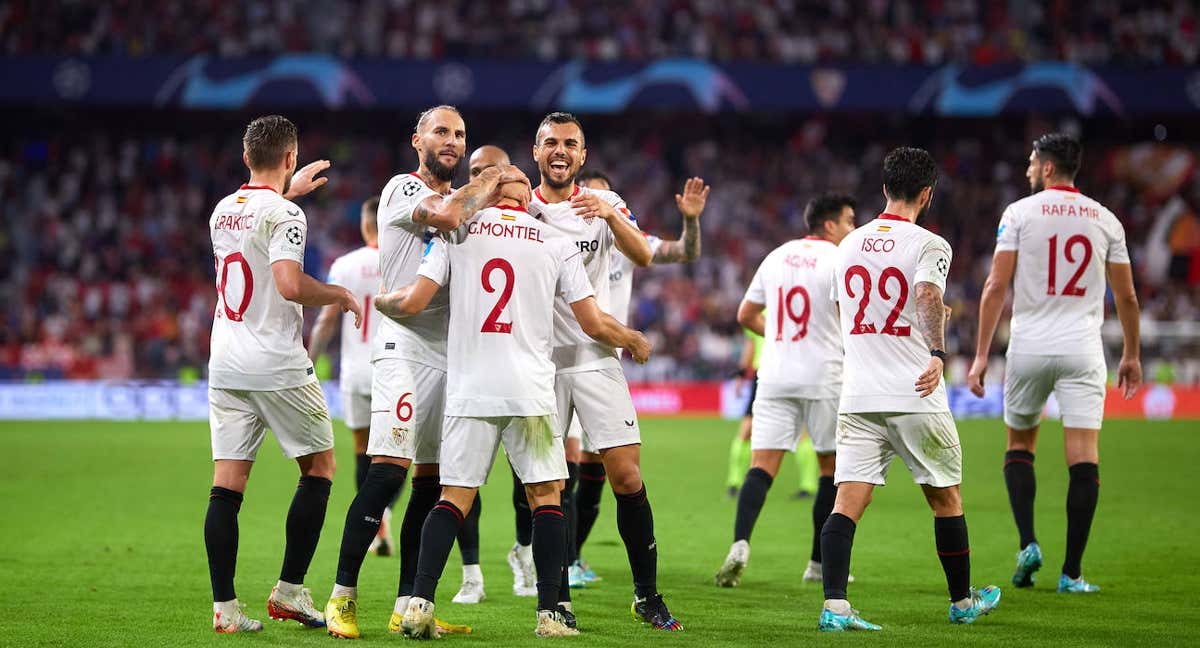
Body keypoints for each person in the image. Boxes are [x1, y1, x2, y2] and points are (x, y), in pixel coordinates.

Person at [379, 173, 652, 639]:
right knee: (545, 497)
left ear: (488, 194)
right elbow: (589, 321)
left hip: (469, 386)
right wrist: (630, 339)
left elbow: (415, 301)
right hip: (529, 388)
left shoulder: (455, 233)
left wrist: (379, 303)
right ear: (526, 199)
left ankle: (419, 603)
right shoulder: (552, 240)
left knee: (453, 499)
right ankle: (550, 612)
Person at [322, 105, 521, 639]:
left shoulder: (470, 202)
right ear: (418, 140)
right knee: (388, 470)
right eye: (441, 132)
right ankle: (341, 597)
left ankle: (409, 606)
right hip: (404, 346)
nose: (452, 141)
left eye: (460, 133)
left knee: (431, 485)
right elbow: (450, 215)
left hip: (449, 353)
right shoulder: (401, 191)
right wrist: (495, 176)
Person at [819, 147, 1000, 631]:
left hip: (858, 395)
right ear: (927, 194)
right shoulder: (928, 243)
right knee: (946, 499)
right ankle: (962, 602)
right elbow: (926, 295)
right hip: (913, 391)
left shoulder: (848, 244)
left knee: (846, 503)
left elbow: (841, 314)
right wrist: (938, 355)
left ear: (883, 188)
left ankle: (834, 607)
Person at [205, 114, 361, 633]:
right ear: (290, 158)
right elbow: (290, 286)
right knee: (319, 469)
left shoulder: (223, 209)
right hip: (274, 361)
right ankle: (290, 591)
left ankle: (225, 611)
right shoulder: (287, 216)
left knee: (226, 487)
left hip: (225, 361)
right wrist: (336, 293)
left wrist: (288, 196)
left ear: (247, 157)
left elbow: (259, 220)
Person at [967, 133, 1142, 593]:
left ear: (1047, 168)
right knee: (1083, 458)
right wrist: (1132, 352)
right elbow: (1125, 294)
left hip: (1028, 346)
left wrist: (982, 354)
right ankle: (1072, 573)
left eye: (1030, 162)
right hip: (1083, 350)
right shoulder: (1106, 220)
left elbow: (994, 288)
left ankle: (1027, 542)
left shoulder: (1019, 214)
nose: (1027, 169)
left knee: (1019, 446)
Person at [529, 112, 681, 631]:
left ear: (583, 155)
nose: (560, 151)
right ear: (536, 152)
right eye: (551, 142)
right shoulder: (521, 209)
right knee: (550, 483)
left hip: (597, 359)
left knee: (626, 474)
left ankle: (646, 595)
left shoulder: (606, 205)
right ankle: (556, 600)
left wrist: (611, 215)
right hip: (541, 367)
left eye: (570, 143)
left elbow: (642, 255)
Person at [565, 169, 709, 587]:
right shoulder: (559, 234)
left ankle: (571, 558)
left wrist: (692, 220)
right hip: (560, 359)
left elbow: (684, 252)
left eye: (605, 201)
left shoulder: (624, 241)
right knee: (566, 468)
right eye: (589, 197)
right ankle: (538, 555)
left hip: (601, 358)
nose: (594, 206)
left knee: (599, 473)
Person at [715, 193, 856, 588]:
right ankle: (817, 563)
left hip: (775, 373)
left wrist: (778, 336)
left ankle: (740, 543)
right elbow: (850, 321)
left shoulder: (777, 256)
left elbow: (745, 315)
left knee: (762, 465)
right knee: (830, 470)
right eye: (848, 222)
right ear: (829, 226)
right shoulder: (839, 260)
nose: (852, 229)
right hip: (824, 374)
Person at [307, 197, 390, 555]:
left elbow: (326, 321)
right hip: (394, 370)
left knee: (362, 452)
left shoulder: (344, 265)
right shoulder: (403, 263)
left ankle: (376, 523)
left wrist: (308, 362)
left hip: (355, 372)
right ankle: (384, 512)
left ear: (364, 225)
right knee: (398, 456)